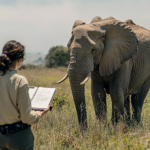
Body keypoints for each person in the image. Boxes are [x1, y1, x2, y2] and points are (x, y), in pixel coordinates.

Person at [0, 40, 51, 150]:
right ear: (20, 60)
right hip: (19, 137)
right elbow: (26, 117)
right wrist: (40, 113)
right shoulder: (20, 81)